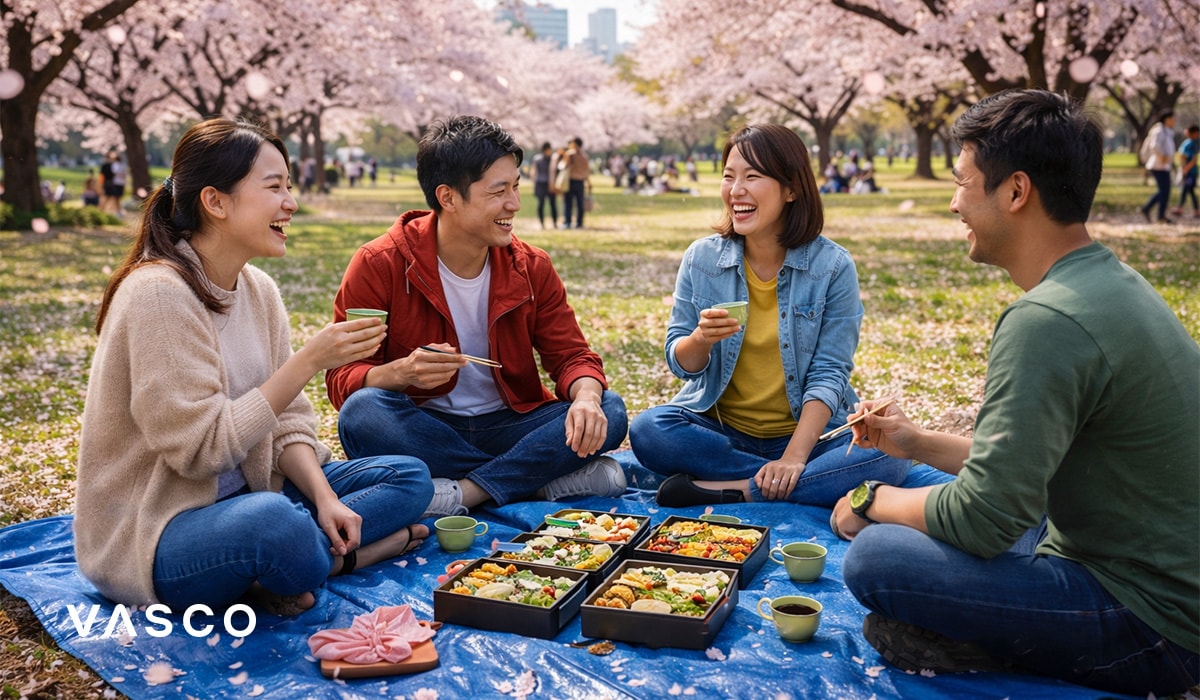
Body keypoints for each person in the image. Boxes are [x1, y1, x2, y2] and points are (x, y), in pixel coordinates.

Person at [831, 90, 1199, 696]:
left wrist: (872, 499)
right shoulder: (1109, 281)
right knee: (925, 498)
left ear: (1016, 191)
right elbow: (1022, 469)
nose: (954, 204)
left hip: (1154, 621)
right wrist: (916, 443)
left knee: (878, 558)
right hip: (1133, 555)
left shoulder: (1047, 320)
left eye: (962, 183)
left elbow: (984, 521)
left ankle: (987, 648)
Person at [74, 118, 435, 616]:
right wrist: (310, 360)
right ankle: (339, 558)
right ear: (215, 202)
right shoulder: (158, 294)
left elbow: (286, 425)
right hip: (160, 530)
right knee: (274, 525)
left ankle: (293, 561)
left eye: (289, 186)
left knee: (410, 478)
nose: (290, 202)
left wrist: (326, 498)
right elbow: (201, 452)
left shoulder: (258, 289)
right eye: (274, 187)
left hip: (253, 492)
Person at [327, 115, 629, 518]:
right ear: (448, 197)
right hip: (425, 426)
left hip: (513, 425)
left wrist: (587, 400)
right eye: (498, 191)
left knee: (610, 409)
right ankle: (536, 481)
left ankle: (464, 493)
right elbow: (342, 379)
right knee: (363, 414)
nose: (515, 204)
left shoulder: (531, 266)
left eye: (516, 186)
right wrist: (401, 373)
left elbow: (573, 357)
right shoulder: (379, 263)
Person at [629, 124, 911, 508]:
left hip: (810, 437)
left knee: (889, 451)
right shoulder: (703, 258)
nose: (736, 189)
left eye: (752, 176)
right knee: (649, 431)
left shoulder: (832, 266)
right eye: (729, 176)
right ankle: (788, 482)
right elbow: (681, 363)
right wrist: (701, 339)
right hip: (724, 434)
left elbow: (830, 372)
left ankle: (740, 490)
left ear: (792, 189)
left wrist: (794, 457)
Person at [1140, 110, 1176, 223]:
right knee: (1164, 190)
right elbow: (1154, 145)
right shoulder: (1159, 130)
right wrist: (1162, 158)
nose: (1174, 121)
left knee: (1165, 190)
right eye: (1173, 118)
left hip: (1164, 166)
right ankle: (1151, 210)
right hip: (1157, 165)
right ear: (1167, 119)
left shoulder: (1167, 131)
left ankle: (1158, 214)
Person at [562, 137, 591, 229]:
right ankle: (579, 222)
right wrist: (589, 183)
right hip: (581, 182)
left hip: (571, 181)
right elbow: (586, 171)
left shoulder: (569, 154)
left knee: (568, 203)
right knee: (580, 203)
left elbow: (564, 165)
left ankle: (568, 222)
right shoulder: (585, 156)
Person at [1172, 123, 1198, 219]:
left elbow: (1193, 159)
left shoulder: (1191, 144)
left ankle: (1182, 208)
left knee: (1187, 190)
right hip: (1188, 171)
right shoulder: (1189, 142)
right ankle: (1191, 209)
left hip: (1190, 172)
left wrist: (1185, 169)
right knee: (1188, 190)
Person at [532, 141, 558, 229]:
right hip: (541, 183)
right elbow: (534, 172)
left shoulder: (552, 159)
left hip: (547, 184)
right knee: (541, 204)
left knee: (553, 204)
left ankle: (555, 223)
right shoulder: (538, 159)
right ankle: (542, 223)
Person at [99, 150, 127, 215]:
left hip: (109, 183)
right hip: (111, 184)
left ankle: (103, 210)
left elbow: (102, 176)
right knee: (112, 197)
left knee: (110, 197)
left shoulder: (110, 165)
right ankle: (104, 210)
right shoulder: (112, 165)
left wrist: (101, 184)